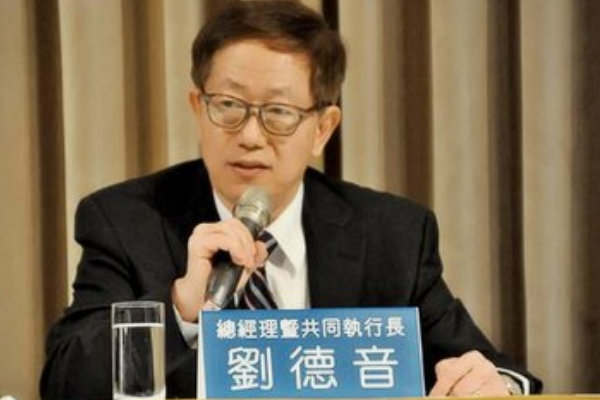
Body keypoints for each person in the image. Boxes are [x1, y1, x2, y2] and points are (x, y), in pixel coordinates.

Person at [40, 1, 542, 399]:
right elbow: (65, 381)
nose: (250, 136)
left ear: (323, 127)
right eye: (228, 106)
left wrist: (496, 384)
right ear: (198, 108)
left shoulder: (392, 233)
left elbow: (491, 368)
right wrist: (181, 309)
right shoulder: (126, 220)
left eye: (278, 112)